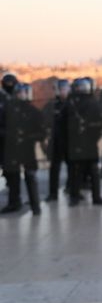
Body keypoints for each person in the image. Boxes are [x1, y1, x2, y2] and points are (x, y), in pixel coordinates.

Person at [1, 83, 44, 215]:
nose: (22, 95)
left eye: (24, 93)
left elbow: (41, 132)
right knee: (13, 177)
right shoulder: (7, 111)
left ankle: (35, 205)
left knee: (30, 176)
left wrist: (28, 136)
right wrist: (9, 135)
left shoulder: (34, 111)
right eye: (19, 93)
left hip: (27, 148)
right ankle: (14, 202)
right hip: (11, 148)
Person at [66, 78, 102, 207]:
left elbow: (99, 122)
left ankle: (93, 196)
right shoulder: (72, 102)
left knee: (91, 171)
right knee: (78, 171)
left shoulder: (92, 102)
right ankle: (77, 196)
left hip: (87, 141)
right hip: (78, 141)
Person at [43, 79, 71, 201]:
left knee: (73, 167)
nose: (62, 92)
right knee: (54, 168)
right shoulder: (51, 105)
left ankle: (72, 189)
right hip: (55, 141)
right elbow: (43, 121)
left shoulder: (72, 104)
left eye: (64, 89)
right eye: (60, 89)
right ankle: (53, 193)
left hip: (70, 141)